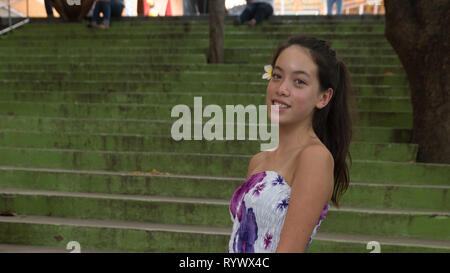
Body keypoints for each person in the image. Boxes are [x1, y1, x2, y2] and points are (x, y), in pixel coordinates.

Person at [228, 36, 354, 253]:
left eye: (299, 82)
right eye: (277, 76)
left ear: (323, 98)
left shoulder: (315, 158)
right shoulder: (258, 161)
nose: (282, 89)